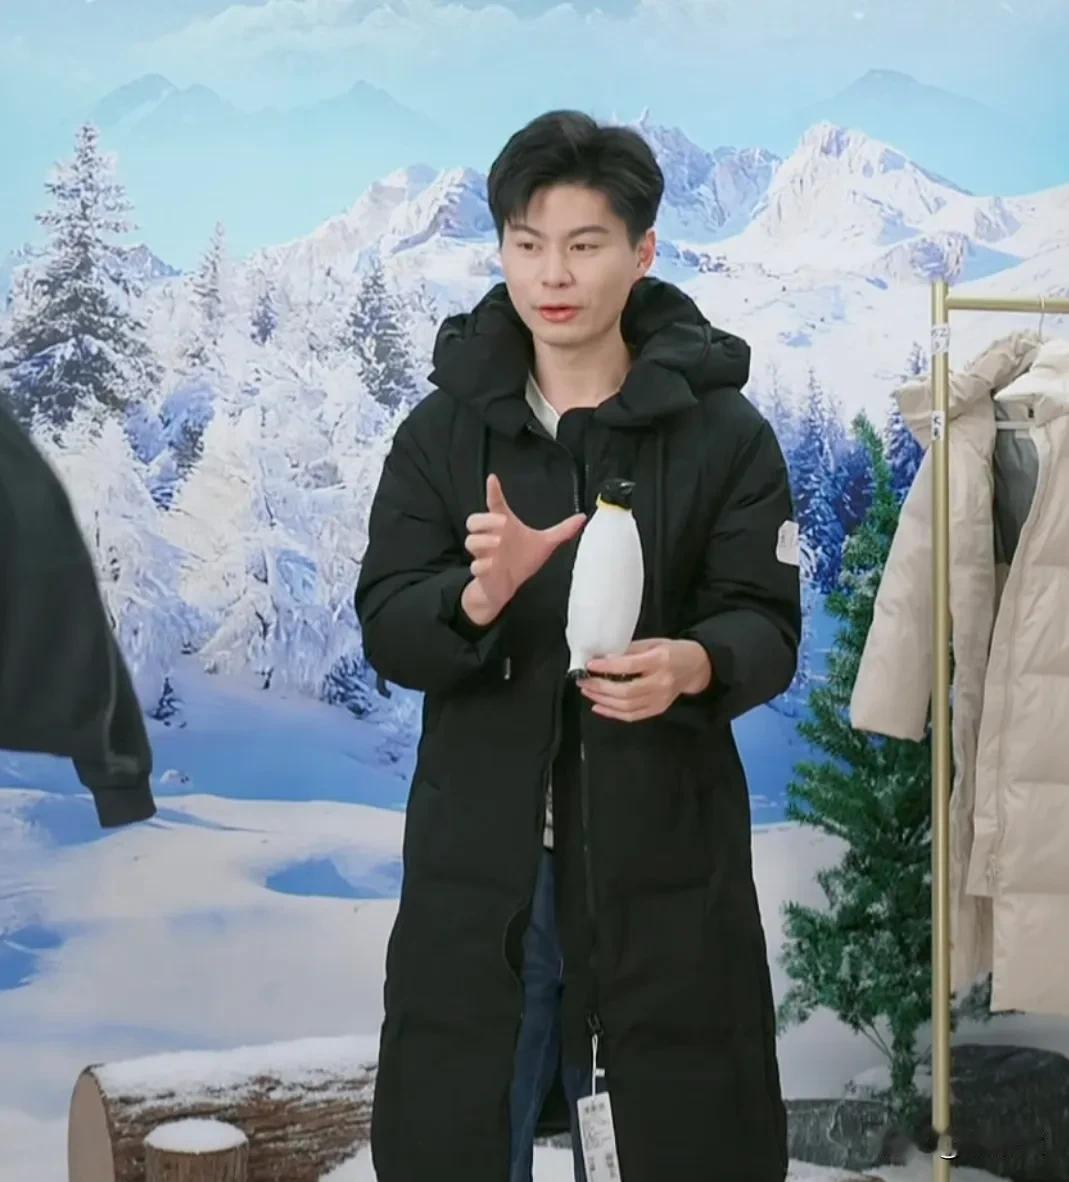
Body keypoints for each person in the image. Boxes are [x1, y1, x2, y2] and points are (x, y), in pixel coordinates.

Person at [355, 109, 801, 1182]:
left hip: (661, 855)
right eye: (527, 243)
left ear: (642, 252)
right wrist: (475, 600)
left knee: (682, 1129)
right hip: (481, 865)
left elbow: (767, 621)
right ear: (502, 250)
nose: (552, 274)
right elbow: (387, 620)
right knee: (457, 1129)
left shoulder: (721, 433)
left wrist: (697, 664)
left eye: (584, 244)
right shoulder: (444, 433)